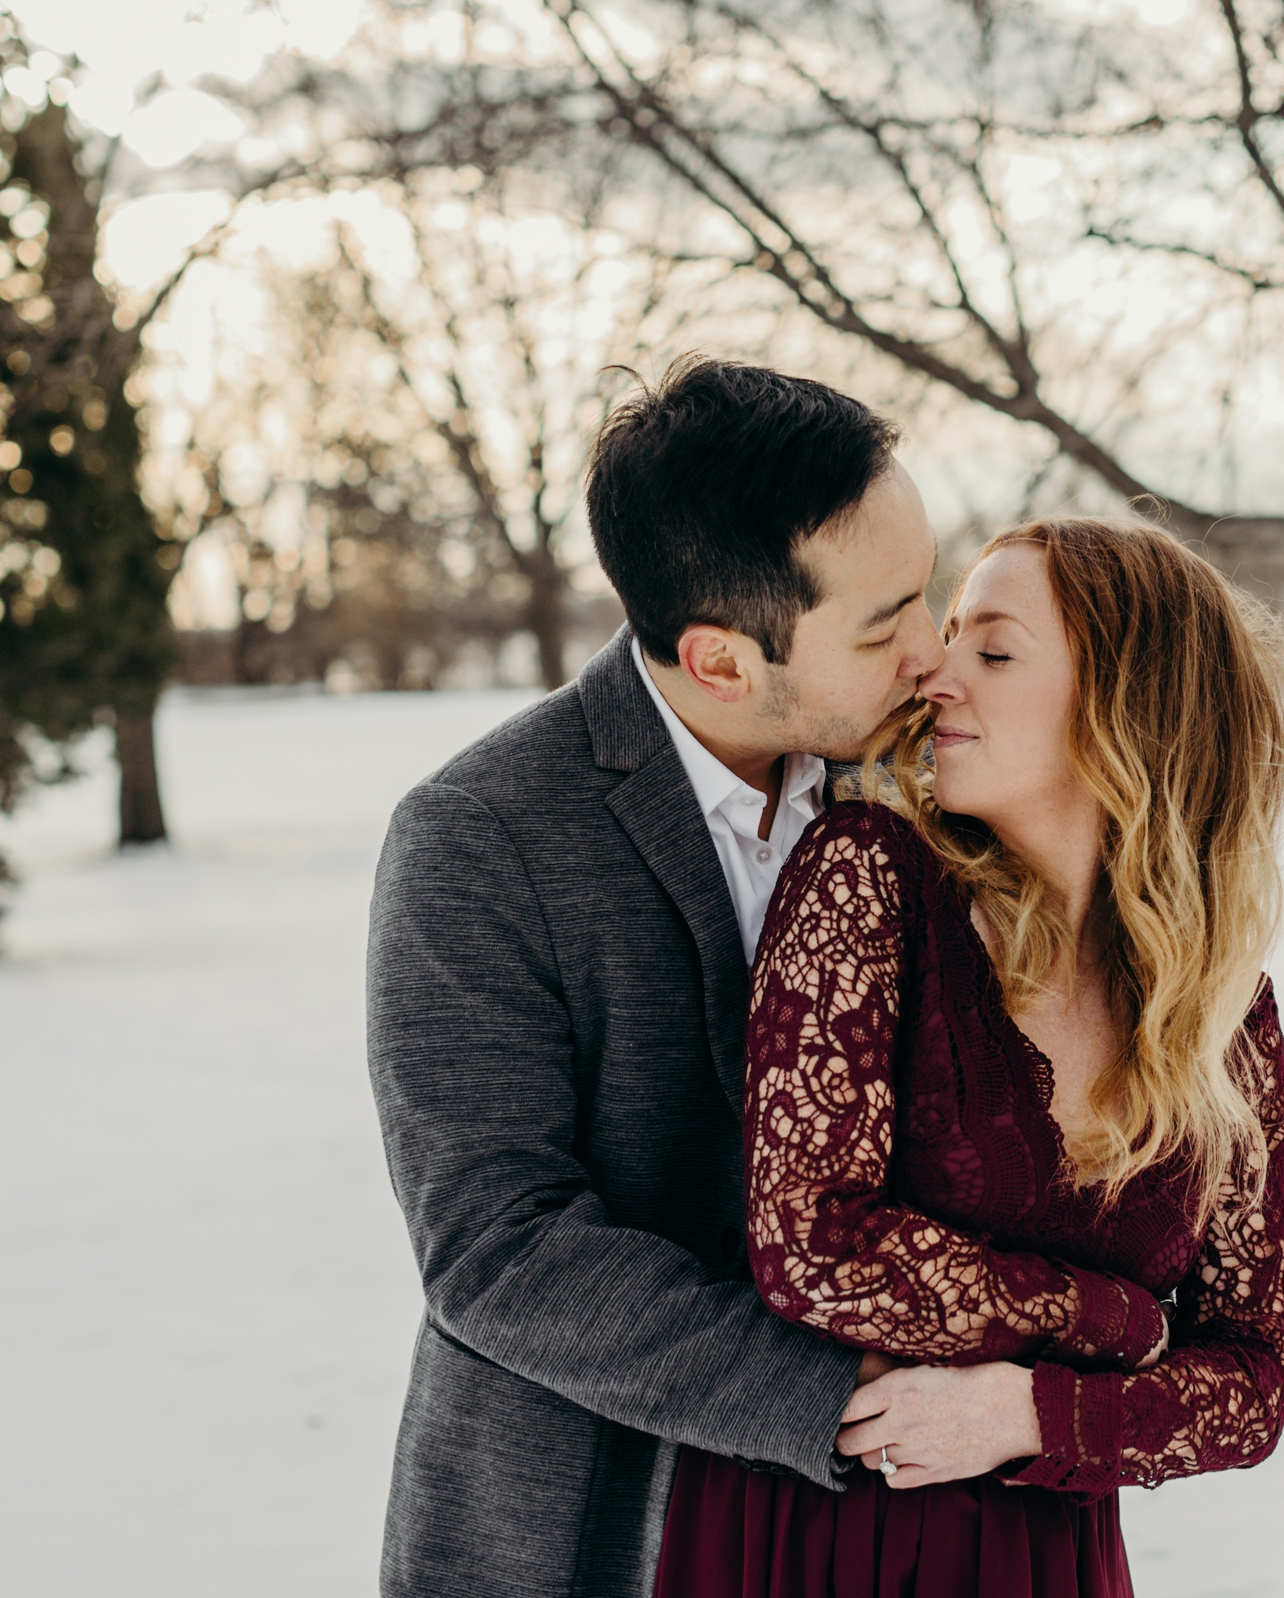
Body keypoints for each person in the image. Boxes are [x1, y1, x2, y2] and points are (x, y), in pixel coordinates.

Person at [368, 356, 1021, 1597]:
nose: (931, 651)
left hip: (893, 1529)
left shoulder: (932, 796)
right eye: (884, 622)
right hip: (589, 1517)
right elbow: (497, 1245)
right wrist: (833, 1392)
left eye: (924, 595)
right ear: (721, 660)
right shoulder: (476, 838)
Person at [652, 517, 1284, 1597]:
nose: (935, 676)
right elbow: (811, 1241)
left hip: (1046, 1558)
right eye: (950, 637)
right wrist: (1115, 1319)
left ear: (1130, 711)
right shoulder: (870, 878)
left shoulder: (1224, 1012)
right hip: (818, 1538)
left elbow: (1255, 1377)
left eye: (993, 651)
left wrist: (1035, 1412)